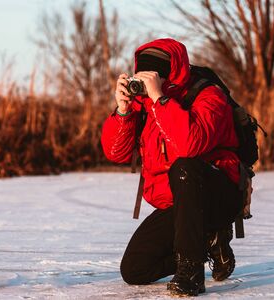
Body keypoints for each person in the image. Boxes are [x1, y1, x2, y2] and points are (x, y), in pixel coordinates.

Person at [100, 38, 243, 297]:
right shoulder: (143, 104)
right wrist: (123, 111)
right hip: (179, 206)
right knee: (134, 270)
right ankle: (209, 243)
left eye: (151, 76)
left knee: (185, 166)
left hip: (218, 195)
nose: (143, 83)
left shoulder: (208, 95)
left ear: (169, 75)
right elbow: (115, 153)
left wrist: (160, 99)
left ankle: (191, 274)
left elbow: (189, 144)